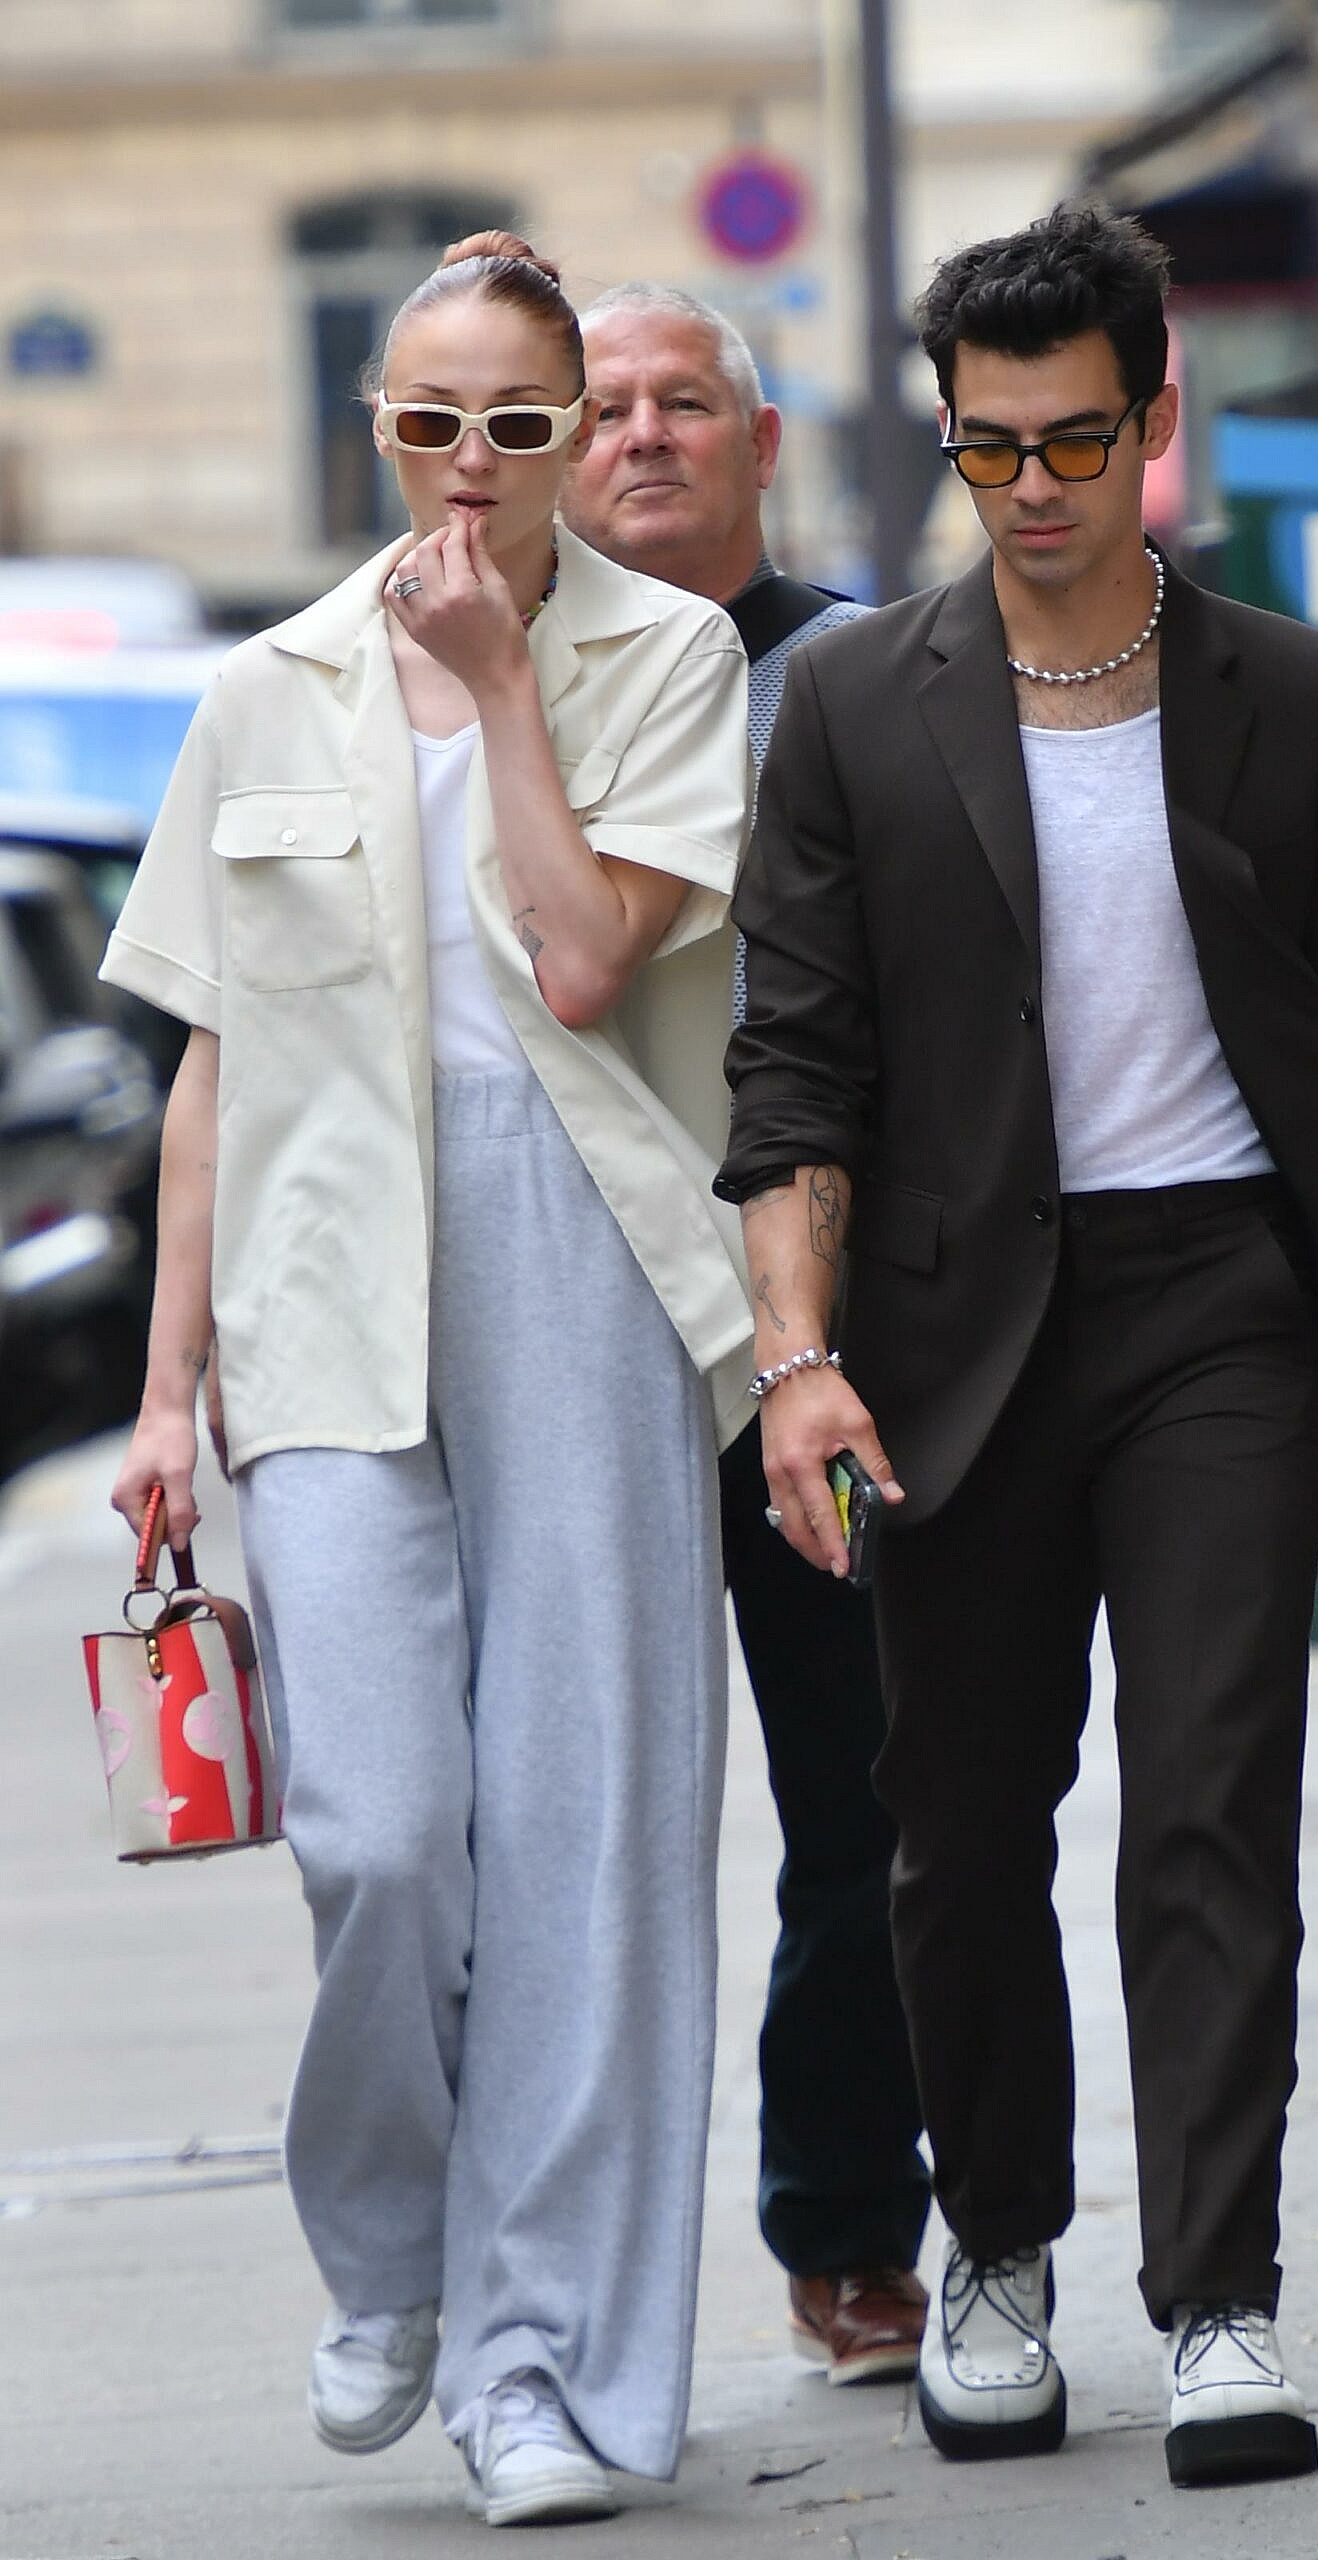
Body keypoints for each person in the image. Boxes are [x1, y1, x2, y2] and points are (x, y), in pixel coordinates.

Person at [717, 203, 1318, 2486]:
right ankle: (999, 2248)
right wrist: (797, 1357)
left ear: (1155, 421)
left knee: (1212, 1798)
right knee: (954, 1822)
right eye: (982, 452)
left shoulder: (1295, 697)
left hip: (1214, 1301)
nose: (1028, 491)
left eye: (1069, 444)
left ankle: (1222, 2296)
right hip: (948, 1330)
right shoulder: (852, 700)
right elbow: (793, 1064)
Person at [103, 231, 753, 2528]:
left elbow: (587, 964)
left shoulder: (666, 660)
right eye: (428, 423)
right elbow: (210, 1062)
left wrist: (495, 695)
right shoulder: (263, 684)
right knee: (379, 1831)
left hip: (576, 1251)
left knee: (584, 1842)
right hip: (316, 1277)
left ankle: (535, 2369)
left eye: (519, 424)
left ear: (580, 436)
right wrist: (168, 1395)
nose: (470, 467)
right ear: (371, 427)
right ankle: (390, 2244)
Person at [561, 282, 930, 2386]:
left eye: (679, 401)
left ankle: (849, 2218)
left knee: (870, 1783)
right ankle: (550, 2284)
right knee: (571, 1823)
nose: (636, 436)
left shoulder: (865, 671)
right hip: (580, 1335)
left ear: (760, 436)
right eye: (589, 405)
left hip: (823, 1343)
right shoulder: (483, 674)